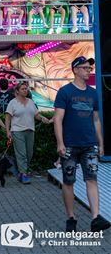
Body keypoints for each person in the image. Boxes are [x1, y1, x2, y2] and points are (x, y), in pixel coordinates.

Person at [53, 56, 110, 233]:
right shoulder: (64, 92)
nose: (88, 70)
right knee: (68, 181)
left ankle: (95, 218)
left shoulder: (92, 93)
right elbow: (58, 119)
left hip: (89, 144)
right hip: (69, 145)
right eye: (85, 67)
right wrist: (60, 143)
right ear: (75, 70)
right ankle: (71, 217)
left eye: (89, 68)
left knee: (92, 179)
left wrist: (100, 143)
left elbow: (96, 120)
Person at [5, 82, 51, 184]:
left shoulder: (30, 102)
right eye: (23, 89)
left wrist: (43, 118)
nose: (26, 90)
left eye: (26, 89)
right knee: (22, 154)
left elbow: (36, 115)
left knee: (29, 154)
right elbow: (8, 118)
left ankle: (21, 172)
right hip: (17, 131)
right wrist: (8, 131)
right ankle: (23, 174)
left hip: (30, 130)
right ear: (17, 91)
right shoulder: (12, 103)